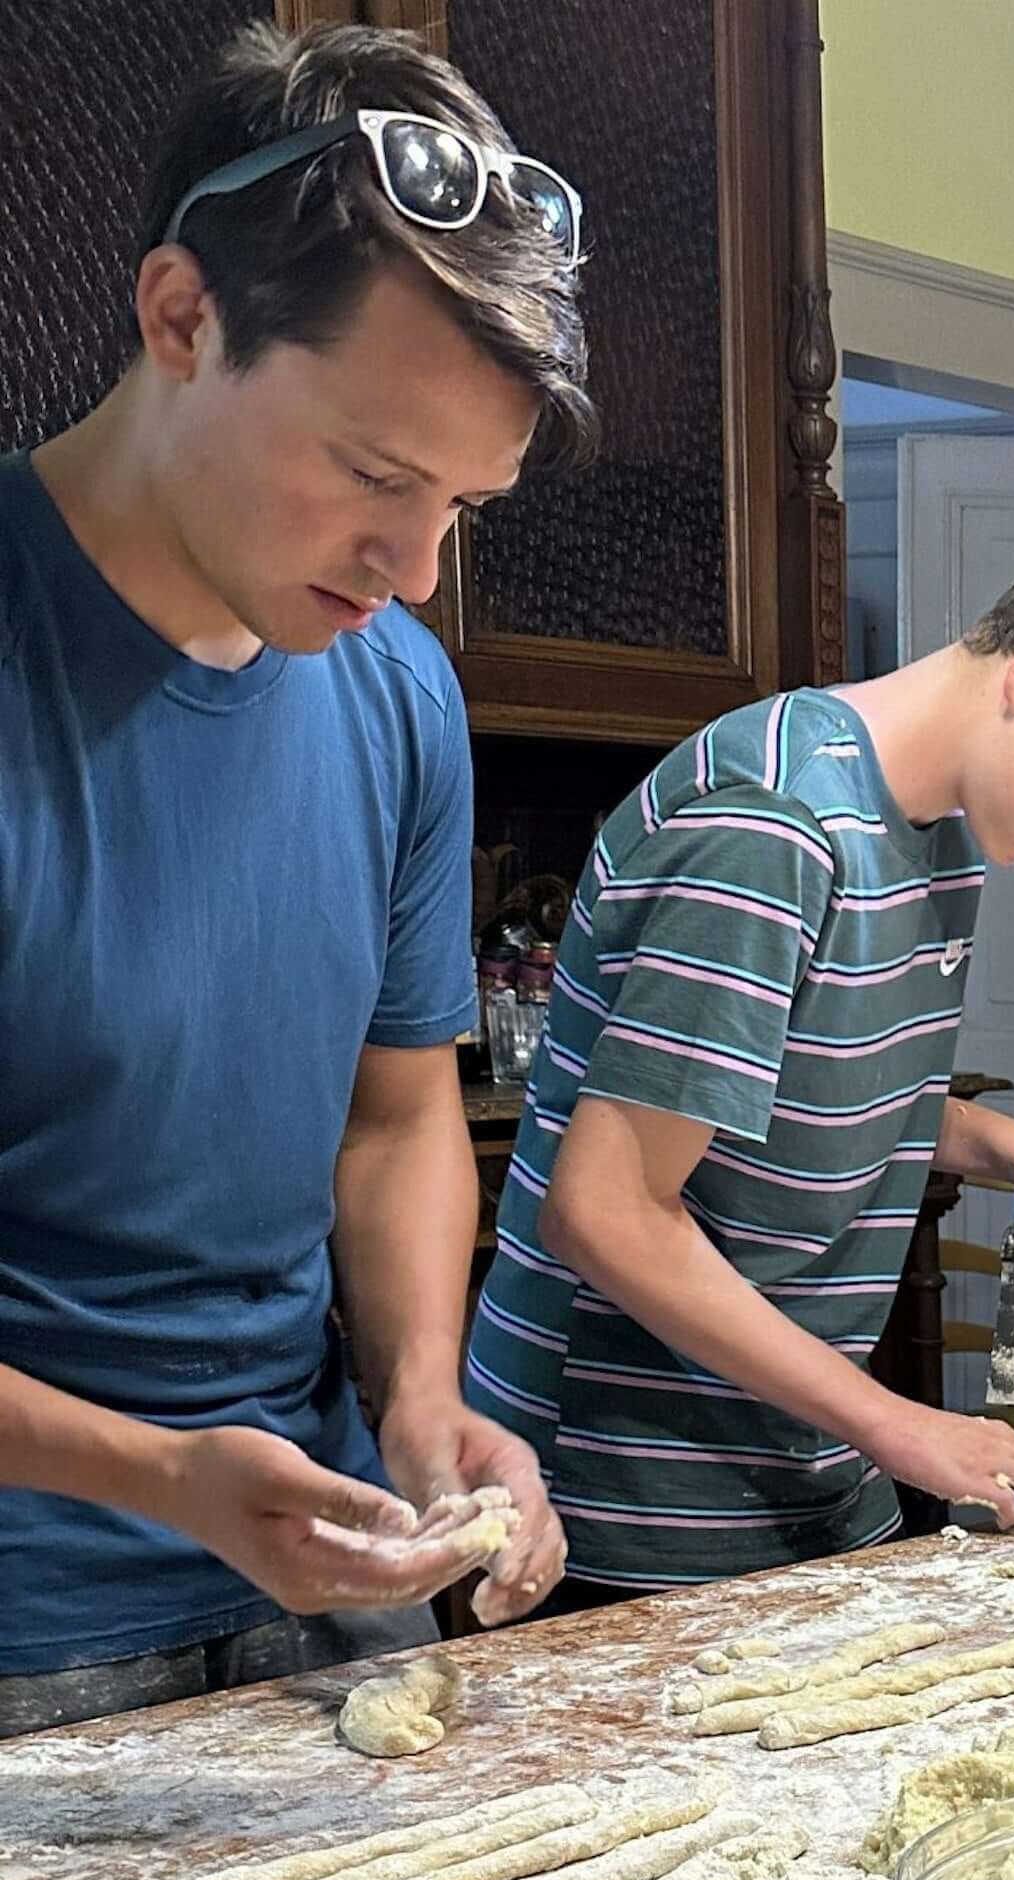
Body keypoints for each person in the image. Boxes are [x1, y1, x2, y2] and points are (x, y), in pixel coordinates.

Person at [0, 23, 590, 1736]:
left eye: (462, 508)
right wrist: (160, 1475)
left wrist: (419, 1395)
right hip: (33, 1625)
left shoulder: (395, 692)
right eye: (375, 476)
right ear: (182, 318)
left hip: (327, 1573)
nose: (413, 572)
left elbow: (393, 1121)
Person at [465, 505, 1014, 1599]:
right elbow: (607, 1209)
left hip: (803, 1466)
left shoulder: (946, 832)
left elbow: (823, 1085)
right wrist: (905, 1428)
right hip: (628, 1495)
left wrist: (1013, 1150)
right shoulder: (773, 824)